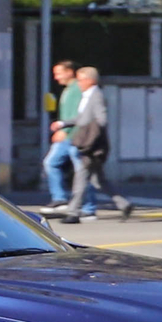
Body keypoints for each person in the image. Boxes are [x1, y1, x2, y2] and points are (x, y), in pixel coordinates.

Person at [62, 65, 134, 221]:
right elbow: (81, 119)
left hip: (93, 146)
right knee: (98, 181)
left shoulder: (96, 96)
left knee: (80, 177)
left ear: (90, 80)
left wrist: (89, 135)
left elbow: (101, 119)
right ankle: (124, 204)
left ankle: (72, 213)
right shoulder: (86, 96)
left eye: (81, 80)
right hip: (90, 144)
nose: (78, 83)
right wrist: (63, 124)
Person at [42, 60, 81, 206]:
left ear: (69, 72)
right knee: (52, 163)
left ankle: (82, 204)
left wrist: (65, 130)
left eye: (59, 73)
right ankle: (60, 198)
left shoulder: (76, 89)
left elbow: (78, 113)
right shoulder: (69, 89)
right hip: (68, 135)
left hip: (74, 136)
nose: (56, 77)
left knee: (81, 171)